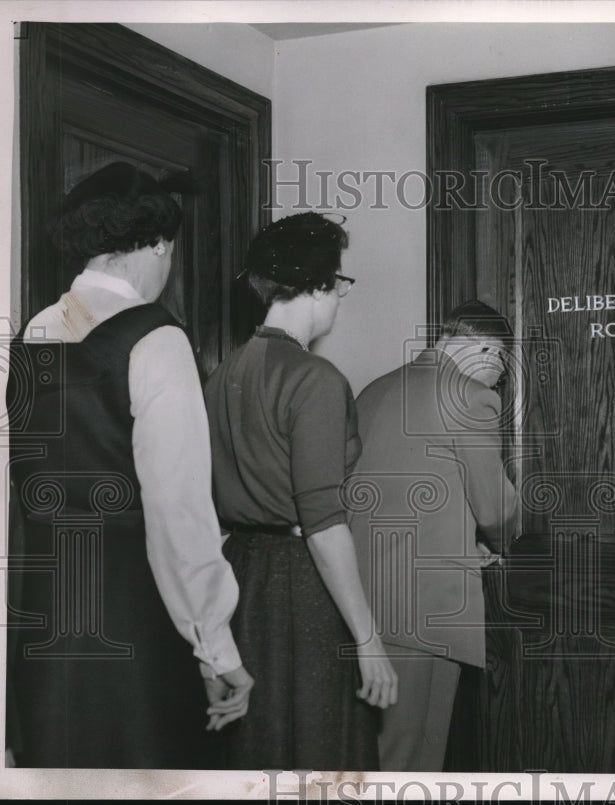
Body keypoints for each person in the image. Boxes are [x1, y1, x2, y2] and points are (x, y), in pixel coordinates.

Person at [6, 161, 253, 769]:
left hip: (40, 614)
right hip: (131, 613)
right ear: (158, 244)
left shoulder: (31, 335)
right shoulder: (156, 337)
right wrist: (216, 649)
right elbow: (179, 513)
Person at [204, 212, 397, 771]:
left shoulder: (224, 373)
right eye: (338, 283)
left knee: (257, 747)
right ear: (316, 285)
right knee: (320, 747)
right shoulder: (315, 379)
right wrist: (368, 639)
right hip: (302, 586)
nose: (340, 297)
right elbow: (323, 521)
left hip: (239, 577)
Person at [347, 300, 520, 771]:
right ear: (488, 349)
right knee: (412, 767)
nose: (497, 381)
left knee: (374, 759)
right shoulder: (468, 396)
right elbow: (495, 507)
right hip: (425, 615)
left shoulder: (373, 391)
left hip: (359, 608)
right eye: (501, 368)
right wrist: (505, 541)